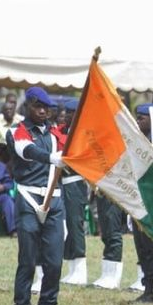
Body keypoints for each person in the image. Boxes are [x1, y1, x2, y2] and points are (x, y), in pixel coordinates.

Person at [7, 86, 66, 305]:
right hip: (29, 198)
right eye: (37, 106)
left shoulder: (55, 134)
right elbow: (26, 151)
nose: (43, 111)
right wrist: (52, 158)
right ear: (28, 107)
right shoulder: (17, 131)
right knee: (28, 262)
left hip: (53, 201)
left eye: (46, 107)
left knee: (53, 264)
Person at [129, 103, 153, 303]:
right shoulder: (137, 143)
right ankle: (148, 287)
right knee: (141, 246)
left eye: (141, 118)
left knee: (151, 247)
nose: (137, 122)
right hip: (138, 200)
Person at [59, 99, 88, 285]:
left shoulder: (82, 134)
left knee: (75, 225)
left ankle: (80, 270)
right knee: (68, 225)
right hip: (65, 183)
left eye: (70, 113)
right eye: (66, 113)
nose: (66, 116)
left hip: (76, 183)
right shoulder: (65, 132)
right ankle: (72, 269)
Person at [0, 150, 16, 235]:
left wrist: (3, 187)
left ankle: (13, 230)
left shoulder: (1, 166)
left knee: (8, 200)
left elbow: (10, 183)